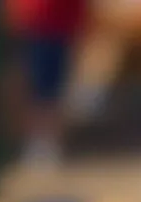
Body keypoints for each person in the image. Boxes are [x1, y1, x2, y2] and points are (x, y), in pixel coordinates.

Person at [5, 0, 88, 167]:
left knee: (47, 89)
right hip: (36, 25)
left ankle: (44, 142)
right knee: (38, 88)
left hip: (53, 27)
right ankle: (39, 141)